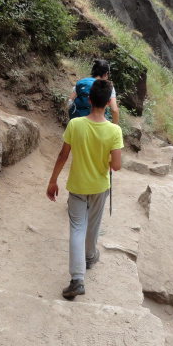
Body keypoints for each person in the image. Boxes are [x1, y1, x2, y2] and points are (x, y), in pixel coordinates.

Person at [46, 79, 124, 300]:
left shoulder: (75, 124)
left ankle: (77, 279)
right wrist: (107, 157)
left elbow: (63, 155)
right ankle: (90, 256)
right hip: (100, 186)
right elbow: (116, 166)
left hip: (77, 185)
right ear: (109, 103)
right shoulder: (114, 131)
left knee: (77, 229)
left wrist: (53, 181)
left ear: (89, 100)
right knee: (94, 225)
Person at [67, 59, 120, 124]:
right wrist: (115, 126)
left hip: (76, 119)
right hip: (96, 122)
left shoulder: (82, 82)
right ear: (106, 74)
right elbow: (114, 110)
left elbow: (70, 102)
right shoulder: (108, 87)